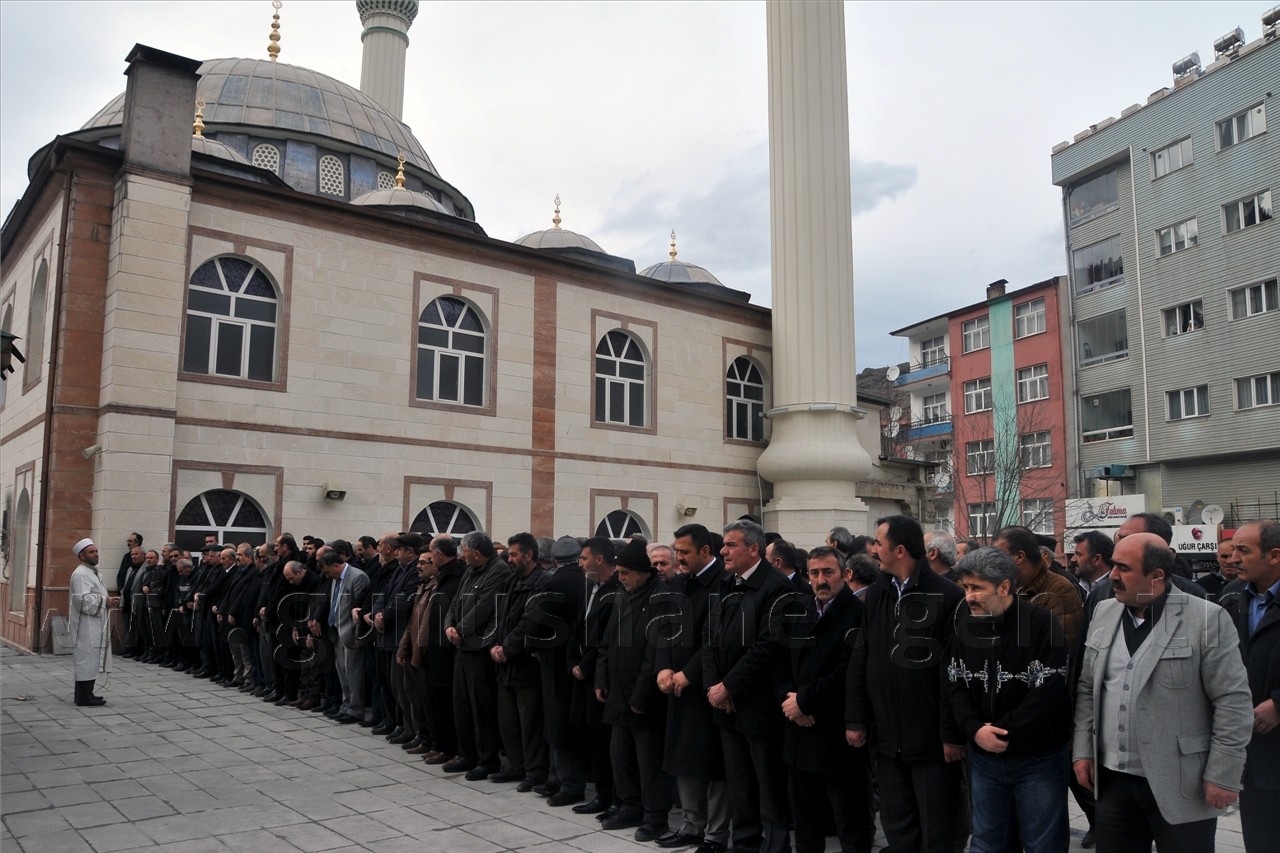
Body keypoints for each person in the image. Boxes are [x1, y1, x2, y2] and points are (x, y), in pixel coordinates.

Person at [1072, 532, 1253, 852]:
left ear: (1156, 576)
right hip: (1113, 783)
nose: (1112, 575)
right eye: (1113, 565)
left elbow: (1232, 702)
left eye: (1123, 568)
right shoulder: (1104, 612)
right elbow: (1088, 688)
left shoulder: (1206, 619)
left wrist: (1223, 774)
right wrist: (1083, 750)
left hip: (1183, 784)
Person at [846, 514, 965, 853]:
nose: (873, 550)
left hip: (932, 744)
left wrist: (951, 734)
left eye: (878, 543)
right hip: (887, 740)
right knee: (898, 828)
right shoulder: (878, 594)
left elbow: (952, 673)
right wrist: (856, 719)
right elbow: (862, 657)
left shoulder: (948, 596)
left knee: (938, 831)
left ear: (899, 550)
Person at [946, 547, 1071, 853]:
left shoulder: (1041, 624)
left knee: (1043, 844)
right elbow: (954, 684)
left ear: (1003, 587)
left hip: (1038, 757)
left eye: (977, 588)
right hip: (984, 758)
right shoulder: (964, 624)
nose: (969, 597)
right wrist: (975, 730)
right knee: (987, 843)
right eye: (966, 587)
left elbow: (1049, 691)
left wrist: (1003, 732)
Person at [703, 519, 804, 853]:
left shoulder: (776, 588)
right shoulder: (726, 582)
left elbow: (767, 647)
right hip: (726, 703)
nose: (723, 551)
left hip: (759, 705)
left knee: (768, 782)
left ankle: (776, 845)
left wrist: (729, 686)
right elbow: (709, 637)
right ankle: (745, 842)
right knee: (739, 782)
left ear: (754, 549)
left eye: (731, 545)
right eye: (724, 544)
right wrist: (715, 686)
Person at [776, 546, 874, 853]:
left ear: (845, 574)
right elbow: (779, 663)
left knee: (850, 820)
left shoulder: (858, 615)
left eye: (828, 572)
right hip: (798, 730)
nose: (820, 580)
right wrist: (790, 700)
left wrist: (804, 701)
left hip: (835, 732)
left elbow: (848, 672)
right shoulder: (798, 609)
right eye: (814, 573)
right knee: (805, 822)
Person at [656, 523, 731, 852]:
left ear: (705, 551)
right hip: (678, 687)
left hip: (708, 687)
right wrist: (663, 666)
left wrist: (689, 672)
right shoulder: (680, 582)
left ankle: (715, 834)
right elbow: (664, 628)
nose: (679, 558)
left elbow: (715, 639)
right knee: (683, 759)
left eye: (684, 552)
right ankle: (691, 826)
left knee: (713, 764)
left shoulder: (724, 583)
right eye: (677, 551)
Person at [596, 538, 673, 840]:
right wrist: (601, 678)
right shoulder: (621, 595)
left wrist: (642, 695)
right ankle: (629, 805)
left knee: (649, 761)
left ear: (642, 571)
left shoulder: (662, 597)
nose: (621, 578)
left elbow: (655, 653)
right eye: (619, 573)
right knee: (620, 756)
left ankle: (655, 816)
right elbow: (607, 641)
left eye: (626, 572)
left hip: (644, 697)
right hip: (617, 691)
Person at [1218, 520, 1280, 852]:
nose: (1233, 559)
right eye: (1232, 550)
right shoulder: (1232, 598)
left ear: (1274, 555)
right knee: (1260, 839)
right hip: (1252, 753)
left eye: (1243, 550)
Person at [69, 538, 117, 707]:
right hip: (85, 625)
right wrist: (105, 601)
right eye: (91, 552)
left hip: (94, 622)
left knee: (91, 658)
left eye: (96, 551)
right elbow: (81, 600)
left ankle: (86, 694)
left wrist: (106, 600)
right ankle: (84, 697)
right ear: (81, 556)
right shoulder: (81, 574)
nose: (96, 554)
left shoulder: (93, 572)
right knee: (86, 658)